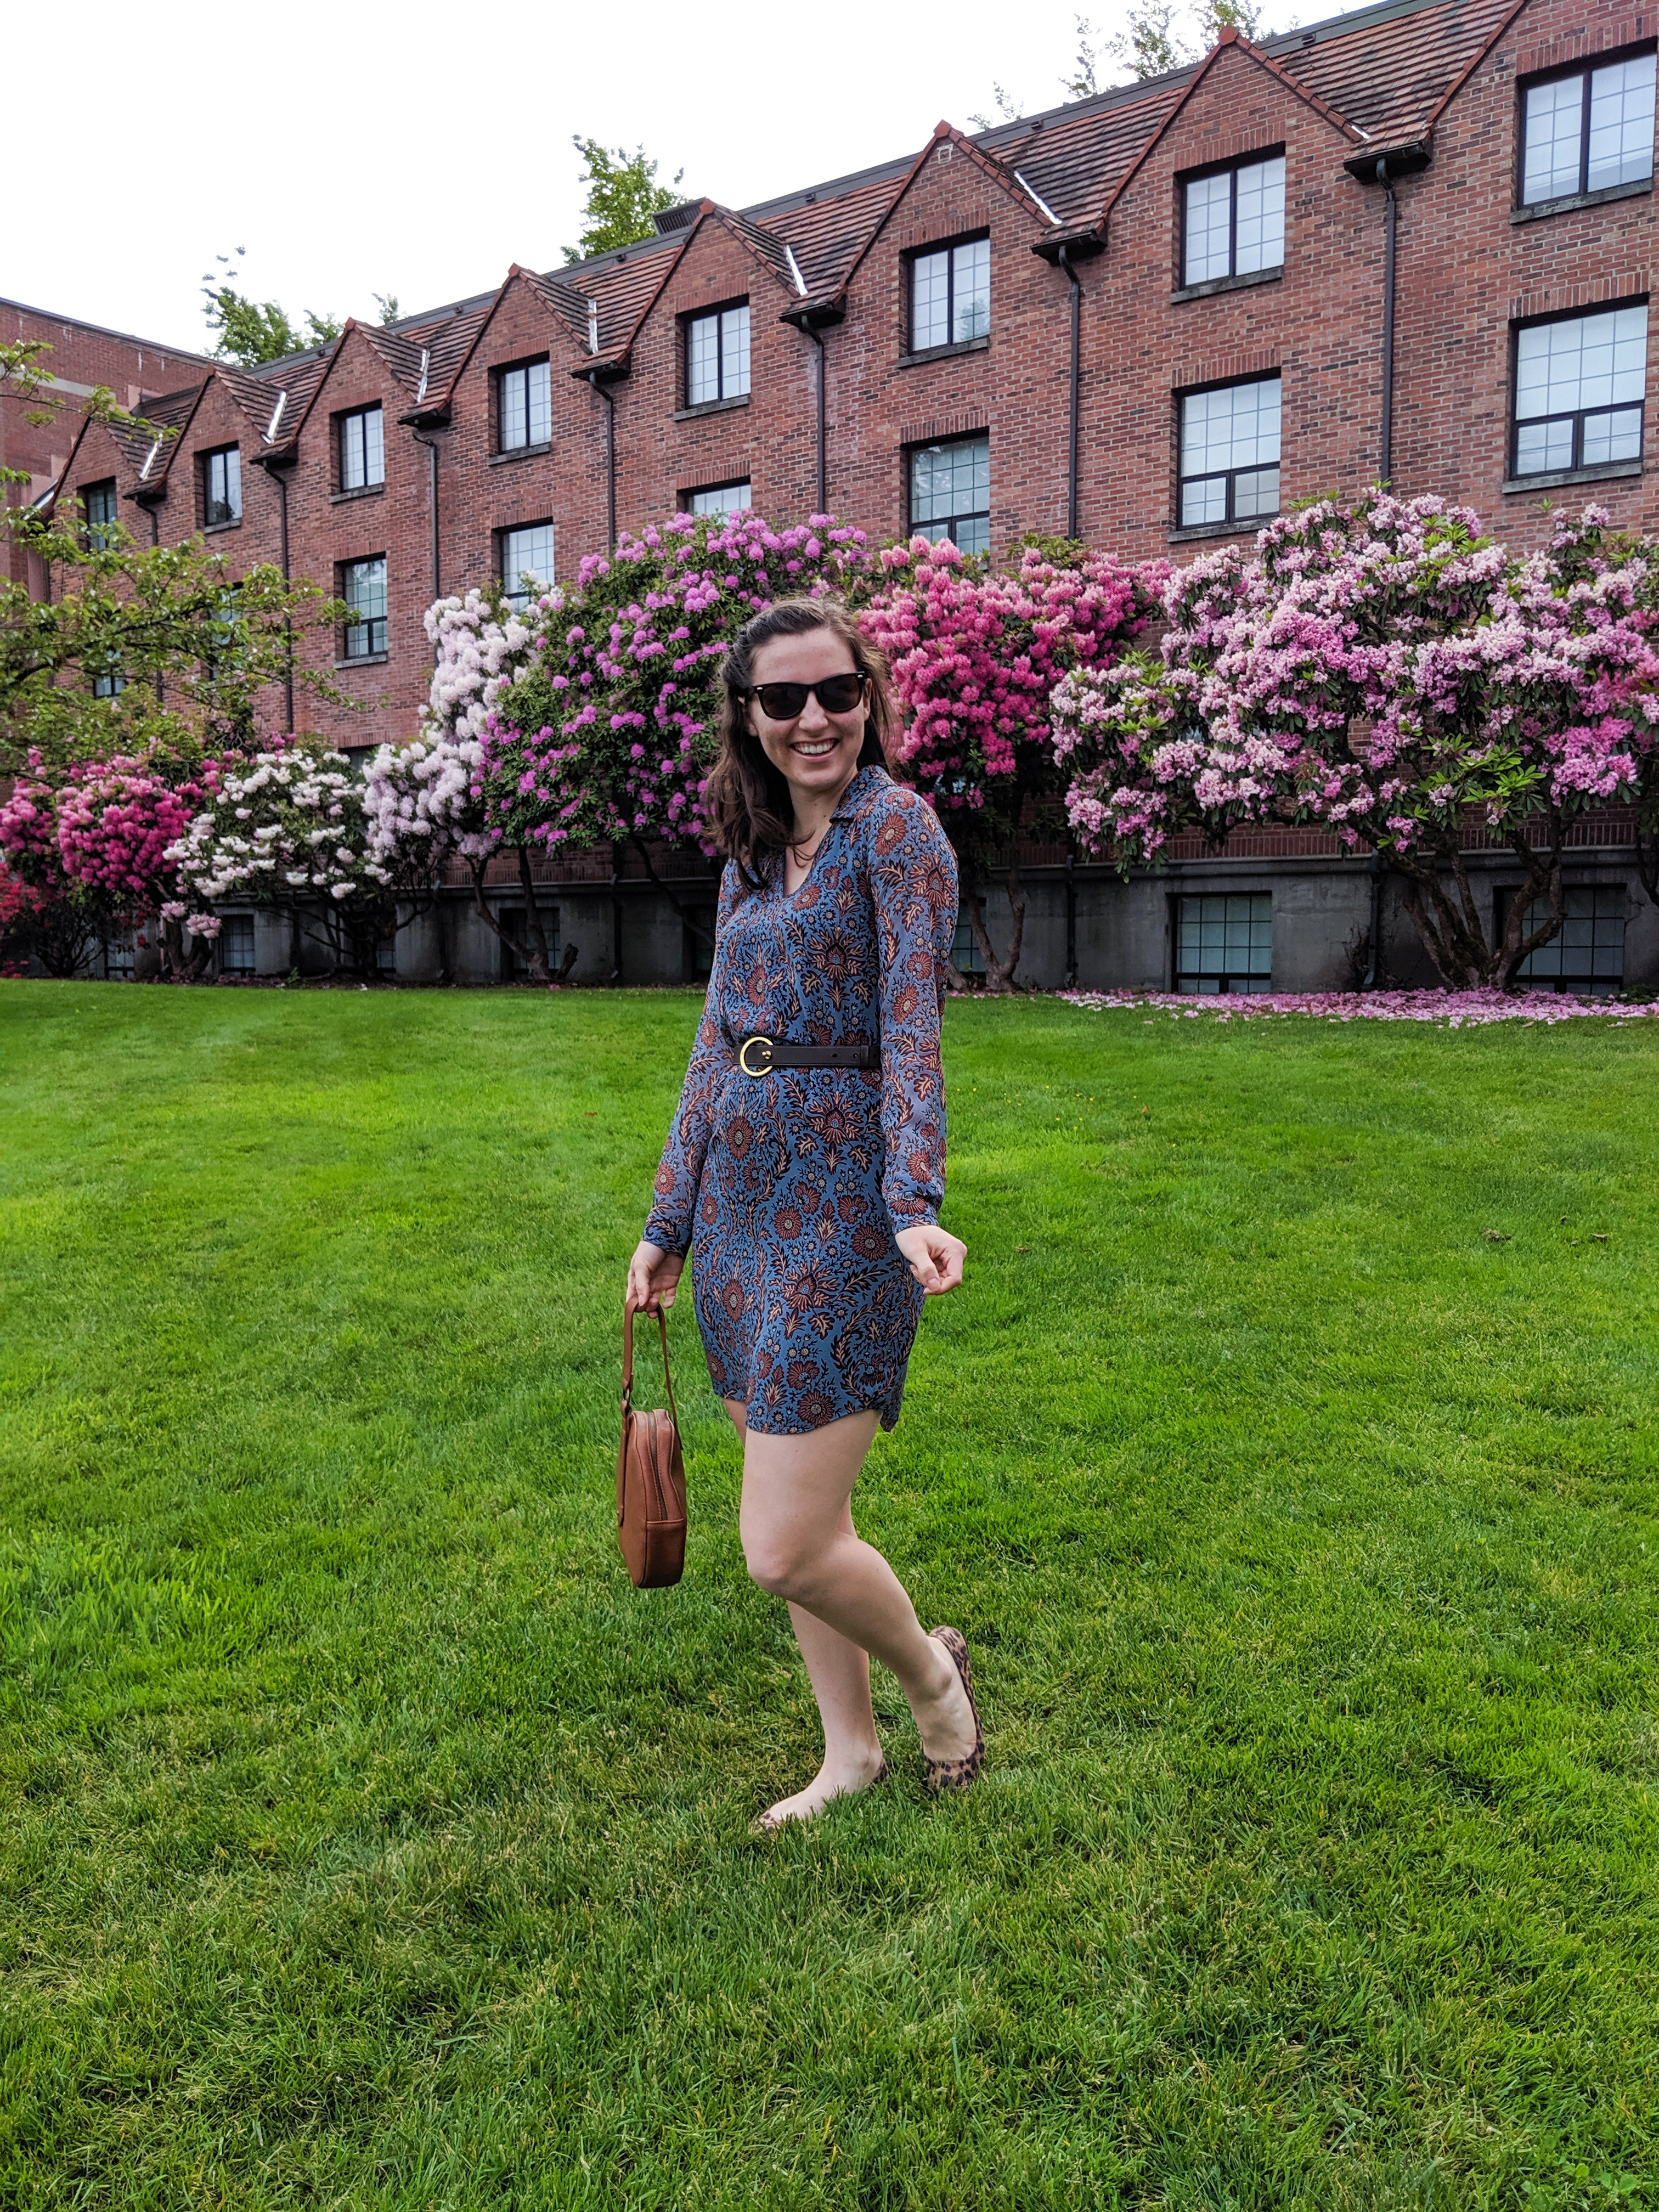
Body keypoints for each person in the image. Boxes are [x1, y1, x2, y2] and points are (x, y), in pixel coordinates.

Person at [625, 597, 984, 1829]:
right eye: (783, 700)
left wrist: (911, 1202)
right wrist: (667, 1222)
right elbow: (714, 1044)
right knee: (809, 1515)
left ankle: (937, 1686)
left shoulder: (900, 831)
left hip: (845, 1213)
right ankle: (852, 1753)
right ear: (749, 718)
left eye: (836, 692)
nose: (814, 718)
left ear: (868, 697)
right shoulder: (750, 853)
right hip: (738, 1210)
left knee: (779, 1544)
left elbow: (914, 1031)